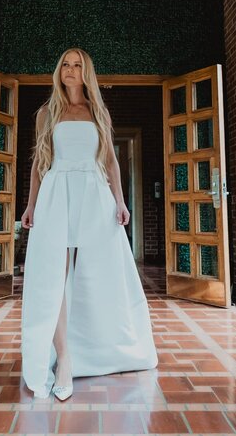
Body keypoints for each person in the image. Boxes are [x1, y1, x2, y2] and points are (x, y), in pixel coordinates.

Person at [19, 48, 159, 400]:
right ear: (58, 71)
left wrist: (121, 201)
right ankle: (64, 357)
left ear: (86, 72)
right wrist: (31, 205)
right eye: (64, 64)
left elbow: (110, 160)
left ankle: (98, 344)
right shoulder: (46, 114)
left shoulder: (98, 112)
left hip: (94, 195)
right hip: (56, 194)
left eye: (77, 64)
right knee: (55, 274)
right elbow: (40, 163)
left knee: (99, 270)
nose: (69, 69)